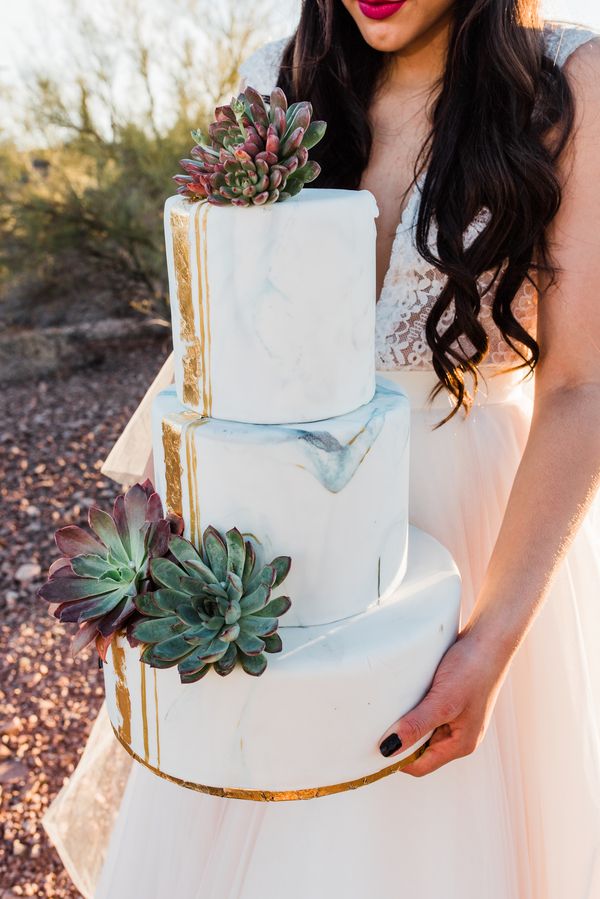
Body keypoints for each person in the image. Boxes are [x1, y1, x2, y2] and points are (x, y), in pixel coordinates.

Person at [43, 3, 600, 897]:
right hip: (280, 533)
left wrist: (491, 642)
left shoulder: (568, 83)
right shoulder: (278, 80)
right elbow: (214, 343)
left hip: (475, 538)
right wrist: (151, 550)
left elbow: (581, 386)